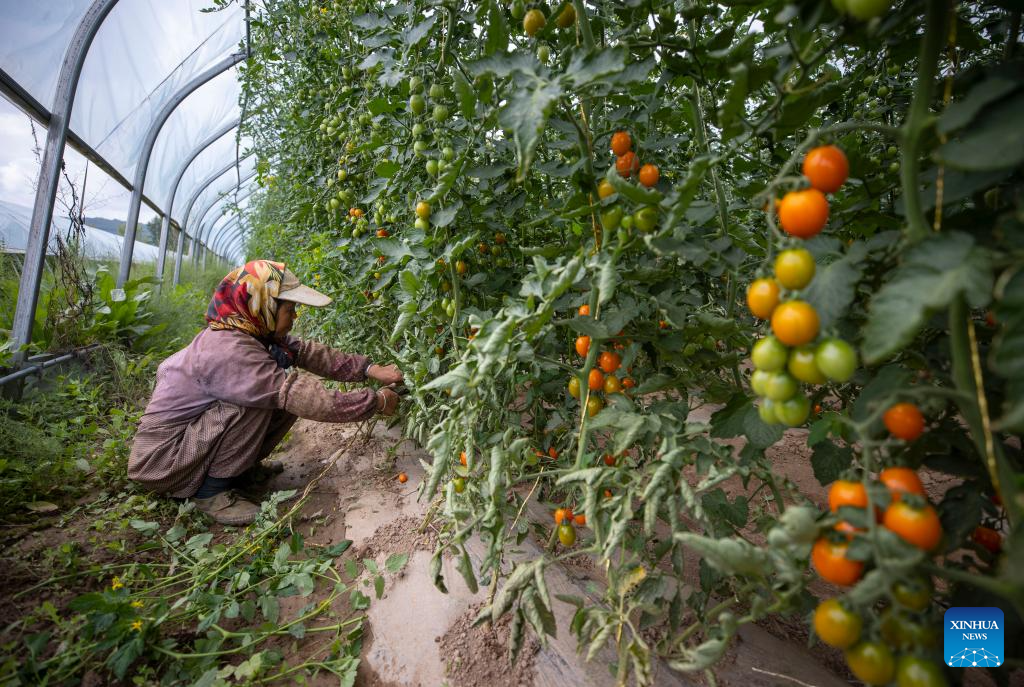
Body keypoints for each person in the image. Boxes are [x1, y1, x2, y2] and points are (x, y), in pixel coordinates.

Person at [128, 260, 403, 525]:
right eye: (289, 309)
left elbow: (305, 352)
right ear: (263, 305)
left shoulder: (246, 331)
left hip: (189, 442)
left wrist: (369, 368)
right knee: (267, 397)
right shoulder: (228, 351)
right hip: (164, 461)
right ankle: (211, 493)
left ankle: (237, 472)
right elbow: (301, 396)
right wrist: (376, 402)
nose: (294, 316)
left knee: (275, 394)